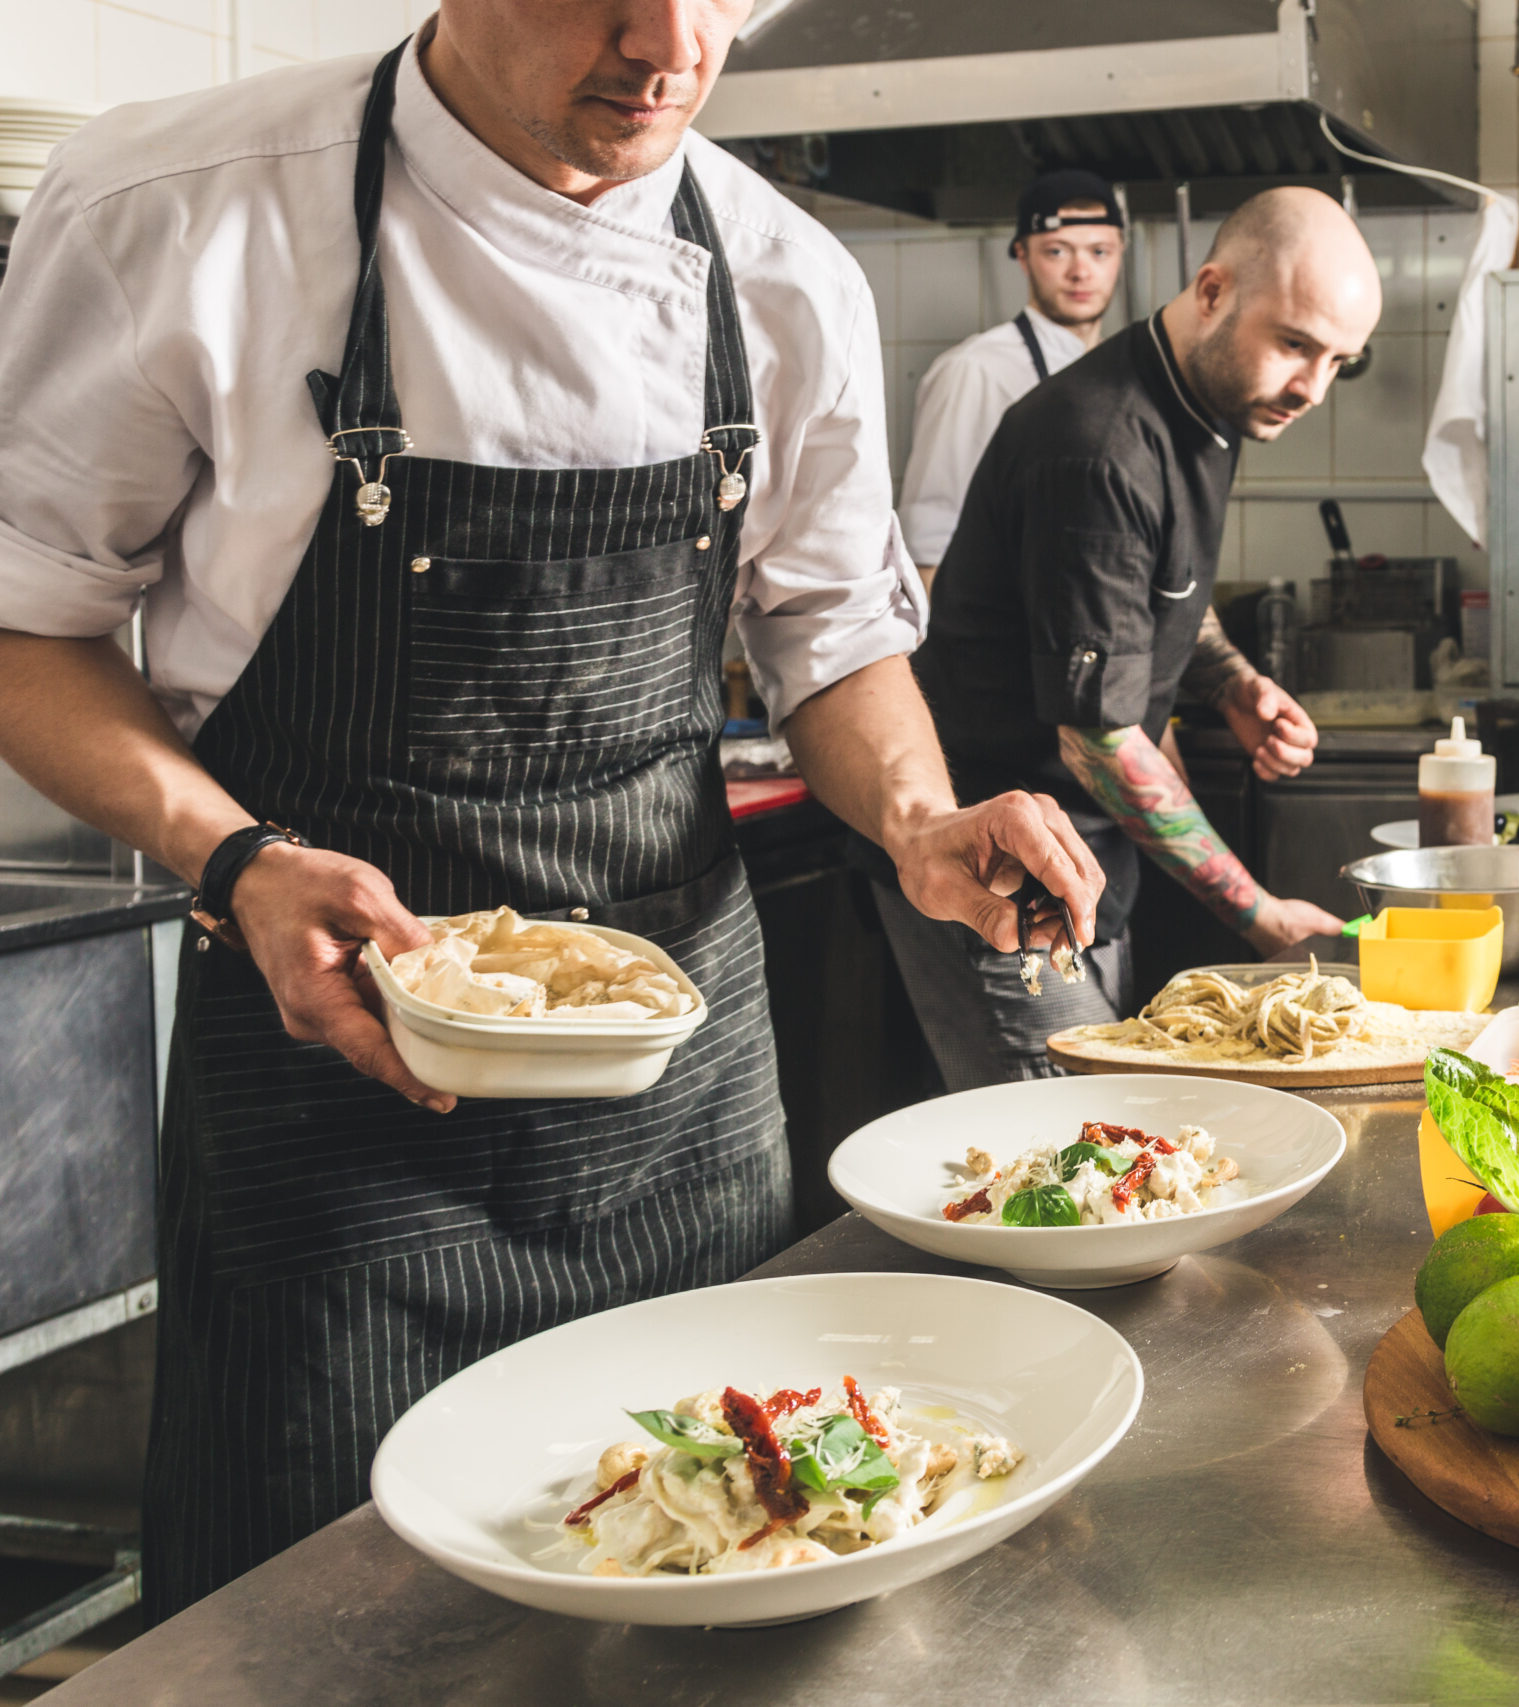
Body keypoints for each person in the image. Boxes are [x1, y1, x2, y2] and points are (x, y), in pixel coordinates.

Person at [0, 0, 1100, 1617]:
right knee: (332, 1631)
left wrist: (920, 818)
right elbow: (30, 627)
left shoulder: (787, 279)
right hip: (334, 1105)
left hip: (682, 1116)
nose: (667, 44)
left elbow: (833, 638)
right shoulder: (186, 210)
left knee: (728, 1588)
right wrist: (231, 859)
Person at [886, 187, 1381, 1088]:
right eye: (1297, 344)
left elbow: (1166, 588)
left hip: (1092, 866)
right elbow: (1100, 739)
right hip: (1003, 877)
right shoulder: (1098, 448)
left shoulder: (1217, 405)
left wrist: (1230, 682)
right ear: (1212, 290)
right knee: (1066, 1162)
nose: (1313, 388)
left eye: (1340, 359)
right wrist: (1261, 914)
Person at [899, 169, 1125, 588]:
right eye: (1057, 252)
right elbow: (929, 544)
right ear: (1022, 256)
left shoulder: (1123, 372)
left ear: (1119, 254)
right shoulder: (976, 369)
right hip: (1004, 638)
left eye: (1099, 252)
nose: (1081, 271)